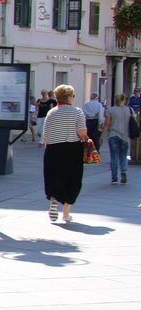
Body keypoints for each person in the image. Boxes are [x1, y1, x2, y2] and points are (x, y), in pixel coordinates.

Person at [42, 84, 88, 224]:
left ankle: (54, 200)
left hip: (53, 149)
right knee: (73, 179)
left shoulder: (51, 112)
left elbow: (46, 136)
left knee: (54, 176)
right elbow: (82, 132)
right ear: (69, 97)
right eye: (73, 96)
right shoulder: (77, 112)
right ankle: (66, 213)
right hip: (72, 149)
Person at [103, 94, 133, 184]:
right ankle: (123, 171)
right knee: (123, 155)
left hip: (113, 135)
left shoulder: (111, 110)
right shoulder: (130, 110)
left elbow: (107, 124)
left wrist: (101, 136)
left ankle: (114, 178)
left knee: (114, 157)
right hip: (125, 136)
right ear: (124, 100)